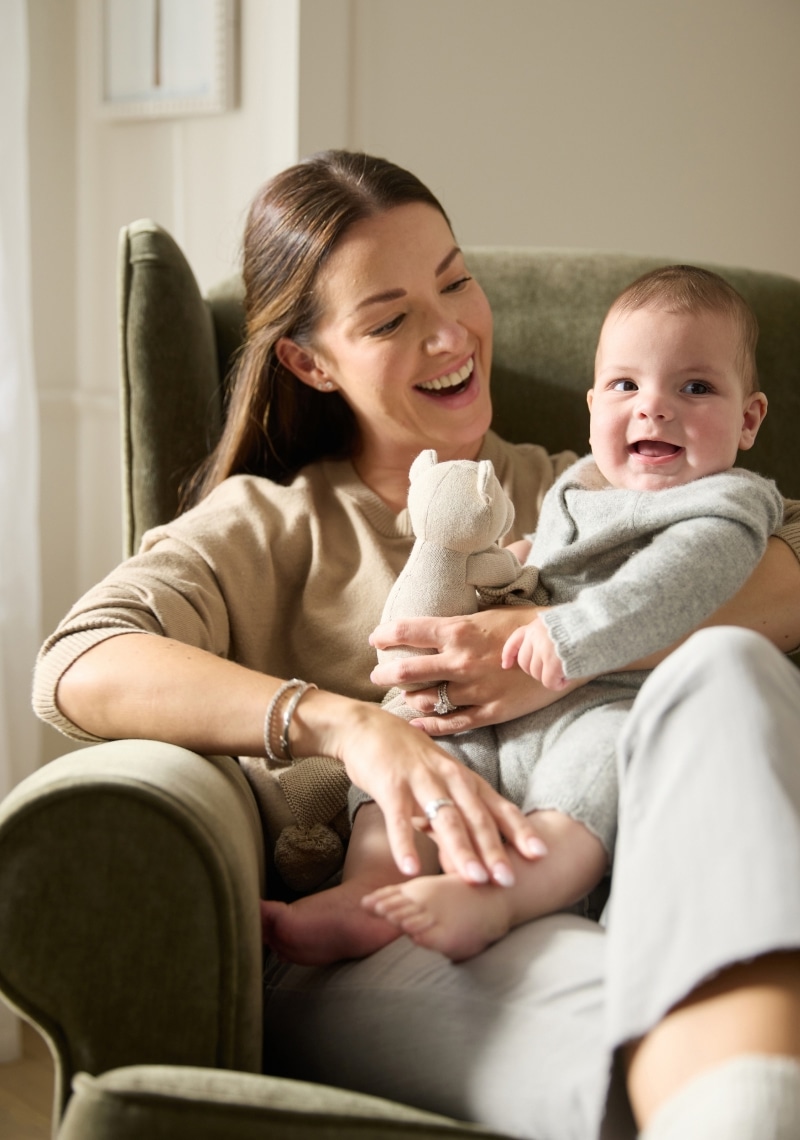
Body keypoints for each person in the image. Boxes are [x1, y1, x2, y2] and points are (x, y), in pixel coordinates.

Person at [33, 151, 800, 1140]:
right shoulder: (271, 524)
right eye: (390, 319)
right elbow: (79, 661)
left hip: (630, 885)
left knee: (726, 668)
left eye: (454, 279)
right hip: (399, 931)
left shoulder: (597, 485)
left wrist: (548, 646)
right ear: (310, 362)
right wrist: (347, 726)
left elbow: (778, 573)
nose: (450, 335)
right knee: (672, 1040)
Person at [263, 264, 784, 965]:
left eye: (695, 388)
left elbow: (669, 587)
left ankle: (498, 900)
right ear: (594, 404)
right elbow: (555, 559)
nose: (654, 408)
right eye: (628, 386)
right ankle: (371, 888)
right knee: (414, 732)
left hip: (615, 699)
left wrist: (562, 632)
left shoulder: (728, 506)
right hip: (501, 711)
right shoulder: (577, 483)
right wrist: (509, 573)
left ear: (749, 419)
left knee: (597, 776)